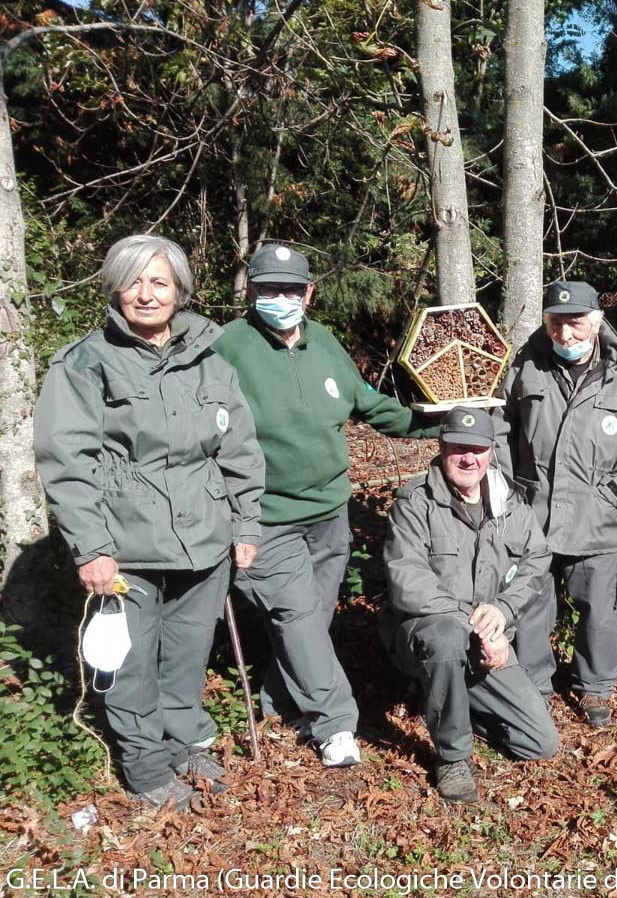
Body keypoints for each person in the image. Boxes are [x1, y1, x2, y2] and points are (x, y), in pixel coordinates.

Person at [34, 234, 264, 810]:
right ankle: (144, 768)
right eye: (134, 281)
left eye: (159, 282)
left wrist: (246, 526)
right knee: (133, 660)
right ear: (114, 287)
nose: (146, 294)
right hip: (126, 547)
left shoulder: (209, 358)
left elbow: (239, 449)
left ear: (180, 290)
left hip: (204, 542)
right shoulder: (84, 362)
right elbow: (66, 462)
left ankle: (183, 741)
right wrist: (90, 548)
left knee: (186, 654)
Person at [213, 243, 439, 768]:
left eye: (291, 289)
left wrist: (437, 418)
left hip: (328, 516)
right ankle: (335, 725)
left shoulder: (325, 344)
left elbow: (370, 405)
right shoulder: (228, 348)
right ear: (253, 291)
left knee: (311, 619)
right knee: (298, 617)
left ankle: (279, 702)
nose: (281, 298)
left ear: (309, 293)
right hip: (264, 520)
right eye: (269, 288)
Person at [493, 281, 617, 727]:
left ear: (596, 320)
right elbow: (500, 428)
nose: (566, 334)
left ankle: (595, 687)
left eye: (576, 322)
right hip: (534, 512)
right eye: (556, 323)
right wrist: (510, 491)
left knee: (600, 610)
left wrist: (616, 490)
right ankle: (533, 684)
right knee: (530, 607)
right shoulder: (526, 363)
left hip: (599, 516)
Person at [381, 407, 558, 803]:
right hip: (429, 633)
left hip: (487, 639)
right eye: (458, 448)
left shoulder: (509, 501)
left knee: (539, 743)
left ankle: (453, 703)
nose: (468, 458)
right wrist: (476, 624)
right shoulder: (415, 502)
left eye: (478, 449)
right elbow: (406, 581)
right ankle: (452, 756)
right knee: (444, 638)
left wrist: (504, 611)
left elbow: (537, 559)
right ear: (442, 447)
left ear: (491, 452)